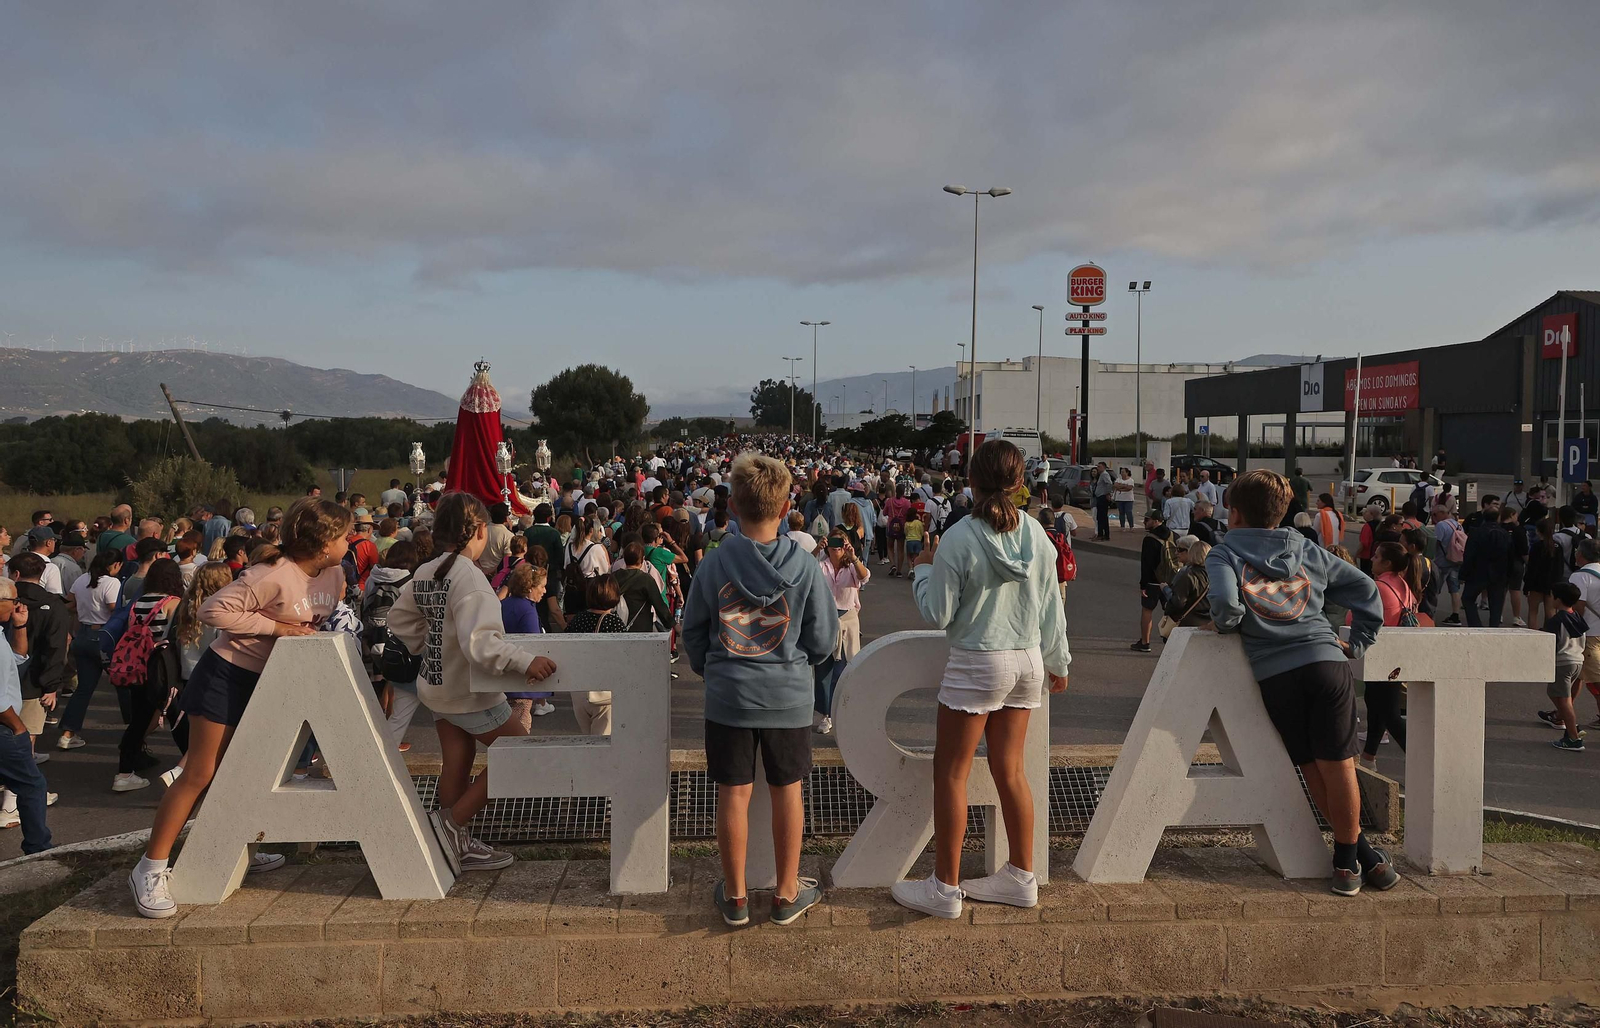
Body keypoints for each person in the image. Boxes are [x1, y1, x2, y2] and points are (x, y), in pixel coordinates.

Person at [130, 498, 353, 918]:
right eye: (344, 537)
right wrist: (277, 627)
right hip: (228, 676)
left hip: (275, 681)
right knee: (200, 771)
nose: (350, 544)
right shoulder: (271, 574)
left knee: (246, 772)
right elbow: (215, 610)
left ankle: (233, 843)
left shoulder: (334, 573)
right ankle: (150, 868)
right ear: (323, 543)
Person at [891, 439, 1069, 919]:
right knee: (1011, 771)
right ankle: (1020, 876)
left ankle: (944, 887)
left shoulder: (959, 537)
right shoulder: (1038, 536)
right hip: (1029, 661)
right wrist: (1060, 662)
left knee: (951, 772)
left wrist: (922, 573)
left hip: (979, 662)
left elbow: (938, 613)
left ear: (970, 480)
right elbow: (1054, 607)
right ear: (1020, 485)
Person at [1206, 469, 1395, 896]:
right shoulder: (1307, 550)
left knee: (1311, 767)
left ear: (1234, 513)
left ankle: (1354, 859)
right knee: (1340, 764)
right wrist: (1359, 641)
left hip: (1275, 674)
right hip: (1326, 663)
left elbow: (1223, 604)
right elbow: (1366, 589)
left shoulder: (1223, 554)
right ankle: (1355, 861)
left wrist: (1233, 621)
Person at [681, 451, 837, 928]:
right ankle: (787, 893)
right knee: (788, 791)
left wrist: (715, 672)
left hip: (729, 696)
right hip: (788, 696)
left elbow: (693, 631)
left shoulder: (713, 563)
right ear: (788, 502)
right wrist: (795, 666)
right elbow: (824, 639)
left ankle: (735, 896)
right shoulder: (807, 567)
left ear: (733, 506)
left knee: (734, 793)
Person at [388, 492, 557, 877]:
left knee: (456, 764)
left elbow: (400, 619)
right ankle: (451, 826)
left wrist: (430, 641)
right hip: (469, 692)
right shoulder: (472, 580)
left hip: (435, 685)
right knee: (519, 751)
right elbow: (483, 645)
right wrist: (526, 661)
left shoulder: (427, 571)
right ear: (480, 531)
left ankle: (452, 847)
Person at [111, 558, 186, 793]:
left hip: (139, 668)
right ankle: (191, 767)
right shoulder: (173, 603)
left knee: (140, 719)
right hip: (164, 668)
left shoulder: (139, 602)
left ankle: (124, 771)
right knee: (179, 719)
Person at [1357, 542, 1422, 768]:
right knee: (1378, 706)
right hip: (1398, 653)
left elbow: (1352, 619)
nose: (1372, 559)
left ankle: (1423, 763)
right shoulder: (1403, 584)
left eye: (1376, 556)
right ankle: (1368, 758)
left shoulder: (1378, 586)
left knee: (1389, 712)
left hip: (1382, 654)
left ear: (1387, 563)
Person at [56, 548, 127, 750]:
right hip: (105, 637)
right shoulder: (112, 583)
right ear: (114, 565)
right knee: (123, 682)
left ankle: (68, 733)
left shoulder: (82, 579)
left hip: (84, 635)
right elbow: (114, 609)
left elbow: (70, 602)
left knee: (84, 689)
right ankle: (135, 727)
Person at [0, 579, 48, 852]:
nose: (18, 605)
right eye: (14, 601)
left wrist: (19, 625)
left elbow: (18, 657)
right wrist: (18, 727)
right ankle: (38, 847)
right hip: (6, 729)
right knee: (33, 785)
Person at [10, 553, 67, 759]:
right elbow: (56, 647)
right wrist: (51, 686)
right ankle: (16, 788)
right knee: (28, 733)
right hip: (34, 681)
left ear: (15, 574)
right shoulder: (54, 605)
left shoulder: (6, 601)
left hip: (4, 677)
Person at [814, 529, 870, 736]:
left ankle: (844, 712)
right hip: (824, 620)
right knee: (822, 671)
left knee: (844, 670)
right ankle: (826, 714)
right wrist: (816, 549)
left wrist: (853, 556)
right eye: (833, 545)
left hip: (847, 620)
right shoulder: (821, 564)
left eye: (841, 545)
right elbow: (804, 571)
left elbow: (864, 577)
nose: (836, 550)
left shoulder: (852, 567)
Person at [565, 575, 629, 735]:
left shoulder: (578, 619)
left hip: (579, 689)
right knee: (603, 745)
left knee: (587, 740)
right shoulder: (614, 623)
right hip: (603, 689)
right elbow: (625, 656)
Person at [501, 564, 556, 729]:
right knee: (521, 726)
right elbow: (534, 644)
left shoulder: (504, 604)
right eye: (542, 586)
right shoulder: (528, 611)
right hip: (520, 683)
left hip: (503, 676)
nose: (545, 591)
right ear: (530, 587)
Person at [1538, 582, 1587, 751]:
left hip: (1563, 662)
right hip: (1577, 661)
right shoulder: (1577, 616)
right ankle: (1567, 721)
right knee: (1554, 693)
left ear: (1558, 599)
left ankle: (1573, 737)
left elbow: (1552, 644)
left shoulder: (1556, 620)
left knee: (1564, 700)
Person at [1132, 508, 1175, 653]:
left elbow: (1146, 563)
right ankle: (1171, 643)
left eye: (1147, 520)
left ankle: (1145, 642)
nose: (1145, 522)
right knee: (1170, 612)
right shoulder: (1172, 535)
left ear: (1156, 521)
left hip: (1152, 581)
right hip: (1170, 581)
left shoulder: (1150, 539)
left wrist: (1143, 584)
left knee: (1147, 610)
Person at [614, 541, 671, 632]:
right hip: (641, 626)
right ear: (642, 559)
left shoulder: (613, 577)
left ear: (624, 558)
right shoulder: (646, 579)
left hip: (616, 625)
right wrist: (672, 624)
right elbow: (658, 604)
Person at [1163, 539, 1212, 632]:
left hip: (1188, 622)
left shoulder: (1188, 575)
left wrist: (1165, 589)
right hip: (1209, 621)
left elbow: (1177, 603)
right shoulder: (1216, 575)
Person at [1524, 517, 1561, 632]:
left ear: (1538, 531)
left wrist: (1527, 585)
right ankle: (1552, 635)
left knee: (1533, 611)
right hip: (1552, 585)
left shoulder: (1536, 547)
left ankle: (1533, 636)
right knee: (1551, 612)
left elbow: (1531, 568)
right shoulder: (1557, 547)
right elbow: (1559, 569)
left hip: (1536, 584)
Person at [1433, 504, 1465, 625]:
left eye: (1434, 514)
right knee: (1454, 589)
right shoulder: (1458, 525)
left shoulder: (1441, 525)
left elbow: (1436, 542)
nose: (1433, 517)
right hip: (1455, 561)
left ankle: (1432, 613)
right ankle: (1455, 614)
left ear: (1441, 513)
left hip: (1442, 562)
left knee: (1435, 589)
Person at [1093, 461, 1114, 541]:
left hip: (1102, 498)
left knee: (1102, 517)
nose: (1098, 468)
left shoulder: (1104, 474)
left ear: (1104, 467)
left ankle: (1103, 534)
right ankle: (1102, 534)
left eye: (1099, 467)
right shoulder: (1101, 475)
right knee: (1101, 517)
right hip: (1100, 497)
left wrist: (1107, 493)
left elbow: (1109, 483)